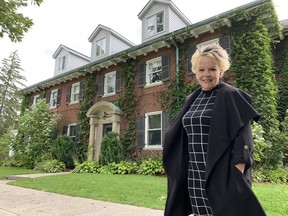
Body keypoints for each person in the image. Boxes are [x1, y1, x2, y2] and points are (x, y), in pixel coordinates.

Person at [162, 44, 266, 216]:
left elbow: (244, 138)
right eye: (201, 69)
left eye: (212, 69)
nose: (206, 74)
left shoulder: (231, 96)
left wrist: (235, 175)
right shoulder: (192, 99)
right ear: (195, 71)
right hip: (195, 175)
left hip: (221, 175)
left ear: (221, 71)